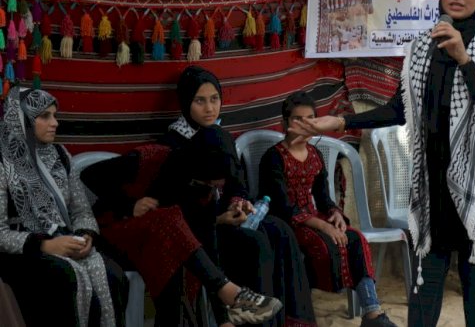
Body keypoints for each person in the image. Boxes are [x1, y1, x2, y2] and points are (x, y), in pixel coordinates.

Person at [290, 0, 475, 327]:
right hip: (434, 181)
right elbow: (400, 108)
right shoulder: (425, 45)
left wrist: (464, 59)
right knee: (427, 277)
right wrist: (340, 121)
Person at [154, 65, 317, 327]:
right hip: (201, 229)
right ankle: (258, 322)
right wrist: (220, 218)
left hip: (229, 217)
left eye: (214, 99)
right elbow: (172, 206)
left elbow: (236, 181)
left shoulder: (221, 137)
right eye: (200, 101)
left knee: (281, 231)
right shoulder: (172, 145)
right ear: (185, 102)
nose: (209, 108)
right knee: (256, 242)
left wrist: (239, 203)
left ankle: (293, 321)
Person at [80, 144, 285, 327]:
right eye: (205, 183)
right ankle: (231, 293)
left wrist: (223, 320)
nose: (210, 190)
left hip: (156, 242)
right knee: (169, 220)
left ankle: (228, 295)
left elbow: (208, 248)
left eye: (215, 186)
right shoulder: (149, 159)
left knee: (173, 247)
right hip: (111, 232)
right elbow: (89, 175)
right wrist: (130, 205)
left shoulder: (203, 192)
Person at [259, 91, 396, 327]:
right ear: (285, 123)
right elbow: (282, 205)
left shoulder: (315, 155)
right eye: (298, 119)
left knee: (355, 238)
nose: (305, 125)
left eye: (310, 119)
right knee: (323, 244)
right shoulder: (274, 157)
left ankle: (372, 313)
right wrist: (322, 225)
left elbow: (323, 198)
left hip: (313, 218)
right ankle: (301, 314)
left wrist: (334, 214)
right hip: (285, 223)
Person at [0, 86, 127, 326]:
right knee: (64, 277)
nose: (55, 123)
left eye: (55, 115)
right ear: (22, 120)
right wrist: (45, 245)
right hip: (21, 252)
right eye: (44, 116)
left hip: (63, 240)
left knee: (113, 275)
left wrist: (85, 236)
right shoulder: (2, 160)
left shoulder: (59, 155)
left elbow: (81, 211)